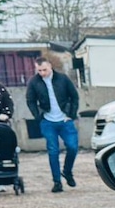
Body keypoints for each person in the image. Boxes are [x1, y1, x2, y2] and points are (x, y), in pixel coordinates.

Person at [26, 57, 80, 192]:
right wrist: (38, 116)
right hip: (48, 121)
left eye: (44, 69)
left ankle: (67, 171)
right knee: (53, 151)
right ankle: (57, 182)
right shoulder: (34, 82)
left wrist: (71, 115)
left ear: (50, 66)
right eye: (39, 70)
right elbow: (30, 100)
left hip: (65, 120)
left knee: (73, 147)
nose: (43, 73)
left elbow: (74, 96)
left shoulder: (63, 78)